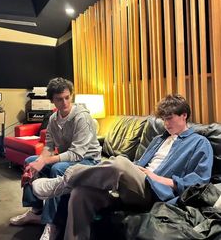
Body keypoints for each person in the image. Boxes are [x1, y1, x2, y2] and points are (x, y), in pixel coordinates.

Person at [31, 94, 213, 240]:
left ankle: (63, 182)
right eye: (163, 119)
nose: (166, 123)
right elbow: (140, 164)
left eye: (170, 118)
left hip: (156, 191)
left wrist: (156, 178)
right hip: (133, 185)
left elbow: (200, 182)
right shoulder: (159, 139)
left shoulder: (199, 143)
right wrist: (133, 168)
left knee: (119, 163)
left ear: (184, 115)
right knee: (81, 193)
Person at [10, 77, 101, 240]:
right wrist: (39, 161)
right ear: (52, 100)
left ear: (71, 95)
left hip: (89, 161)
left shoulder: (82, 117)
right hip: (70, 159)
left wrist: (44, 161)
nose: (65, 102)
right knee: (30, 161)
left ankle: (53, 223)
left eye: (67, 97)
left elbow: (76, 154)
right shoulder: (53, 119)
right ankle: (35, 212)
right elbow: (49, 147)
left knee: (57, 168)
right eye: (59, 99)